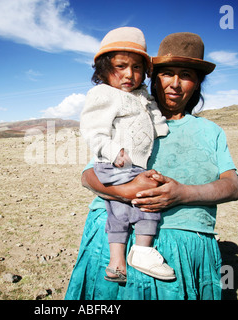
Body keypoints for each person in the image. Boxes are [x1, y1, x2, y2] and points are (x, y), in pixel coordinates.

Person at [65, 32, 238, 300]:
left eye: (186, 75)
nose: (175, 84)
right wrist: (129, 191)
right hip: (116, 243)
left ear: (197, 83)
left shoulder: (210, 131)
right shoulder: (127, 118)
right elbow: (88, 176)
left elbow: (232, 187)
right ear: (153, 76)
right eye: (167, 73)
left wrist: (183, 193)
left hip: (186, 250)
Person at [80, 27, 175, 283]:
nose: (129, 75)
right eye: (121, 66)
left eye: (137, 68)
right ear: (102, 69)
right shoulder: (103, 94)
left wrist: (164, 129)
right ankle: (143, 251)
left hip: (133, 166)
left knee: (119, 212)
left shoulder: (141, 95)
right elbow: (92, 130)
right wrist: (114, 152)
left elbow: (153, 116)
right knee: (147, 201)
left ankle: (116, 263)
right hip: (115, 164)